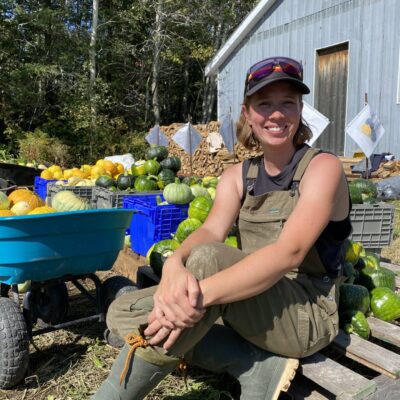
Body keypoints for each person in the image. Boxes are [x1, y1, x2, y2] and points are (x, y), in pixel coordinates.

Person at [93, 56, 351, 400]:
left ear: (300, 109)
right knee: (122, 311)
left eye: (287, 103)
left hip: (304, 313)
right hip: (245, 300)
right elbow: (210, 231)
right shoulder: (239, 176)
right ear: (247, 114)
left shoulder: (322, 168)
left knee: (206, 262)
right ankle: (254, 364)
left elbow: (289, 253)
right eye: (264, 104)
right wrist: (173, 265)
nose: (276, 114)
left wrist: (197, 297)